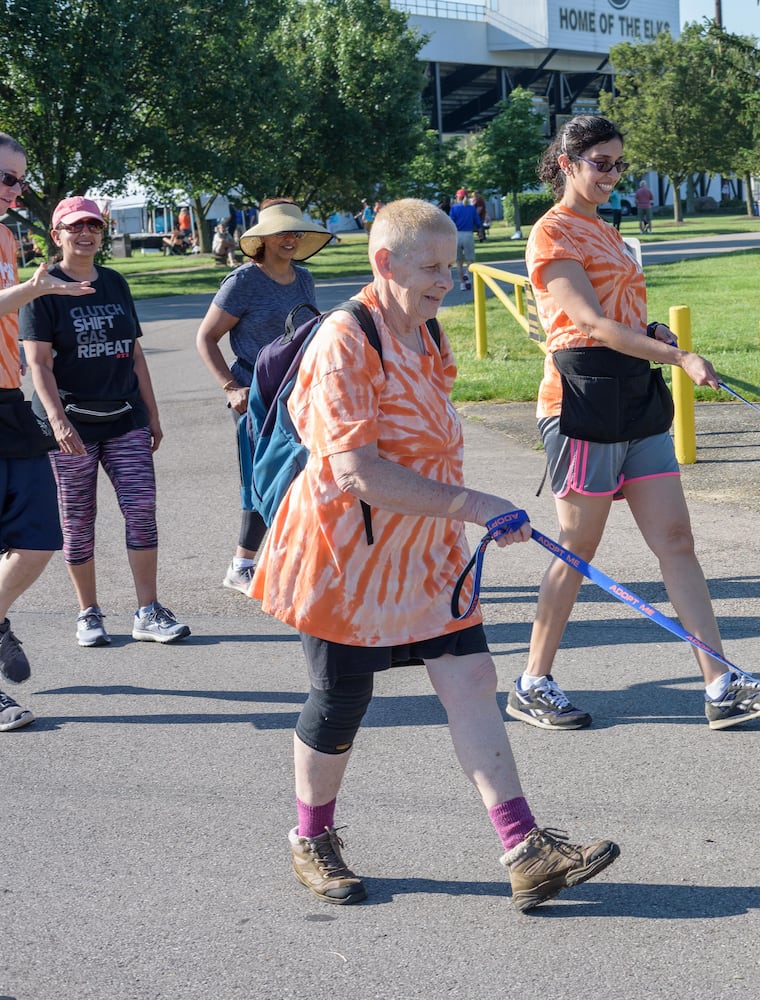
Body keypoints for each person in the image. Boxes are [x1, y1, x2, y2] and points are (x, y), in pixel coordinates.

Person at [251, 197, 618, 909]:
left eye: (451, 266)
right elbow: (355, 468)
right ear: (384, 262)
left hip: (426, 551)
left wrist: (459, 512)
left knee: (472, 680)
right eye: (432, 267)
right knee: (340, 702)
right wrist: (475, 505)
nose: (446, 280)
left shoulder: (428, 332)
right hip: (345, 556)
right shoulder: (345, 341)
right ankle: (312, 838)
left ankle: (524, 848)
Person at [516, 113, 760, 731]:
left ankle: (720, 682)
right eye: (602, 164)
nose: (613, 175)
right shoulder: (552, 234)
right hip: (581, 402)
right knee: (578, 548)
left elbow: (620, 316)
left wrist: (653, 334)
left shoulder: (608, 231)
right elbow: (587, 324)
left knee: (676, 540)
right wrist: (678, 355)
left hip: (635, 395)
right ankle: (533, 681)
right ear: (567, 164)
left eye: (619, 164)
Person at [19, 196, 190, 648]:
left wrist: (152, 413)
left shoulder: (114, 283)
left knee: (141, 513)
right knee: (77, 519)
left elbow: (134, 355)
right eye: (75, 227)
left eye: (93, 225)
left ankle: (148, 611)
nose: (86, 233)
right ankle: (88, 613)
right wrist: (57, 422)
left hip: (124, 419)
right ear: (57, 236)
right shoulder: (42, 290)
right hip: (71, 424)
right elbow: (39, 365)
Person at [0, 134, 97, 730]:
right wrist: (36, 289)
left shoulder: (7, 235)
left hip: (8, 403)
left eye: (17, 181)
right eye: (5, 178)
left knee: (38, 540)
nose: (13, 191)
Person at [194, 199, 329, 596]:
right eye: (283, 232)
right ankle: (243, 565)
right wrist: (230, 387)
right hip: (254, 395)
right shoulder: (243, 282)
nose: (291, 239)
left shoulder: (303, 278)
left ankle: (296, 559)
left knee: (303, 477)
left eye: (296, 232)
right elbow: (206, 337)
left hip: (297, 394)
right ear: (262, 239)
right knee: (262, 481)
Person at [449, 191, 480, 291]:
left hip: (457, 235)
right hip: (468, 234)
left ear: (458, 198)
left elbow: (450, 221)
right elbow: (477, 221)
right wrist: (479, 230)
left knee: (458, 262)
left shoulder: (454, 208)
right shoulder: (471, 209)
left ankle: (462, 283)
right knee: (470, 259)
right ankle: (467, 274)